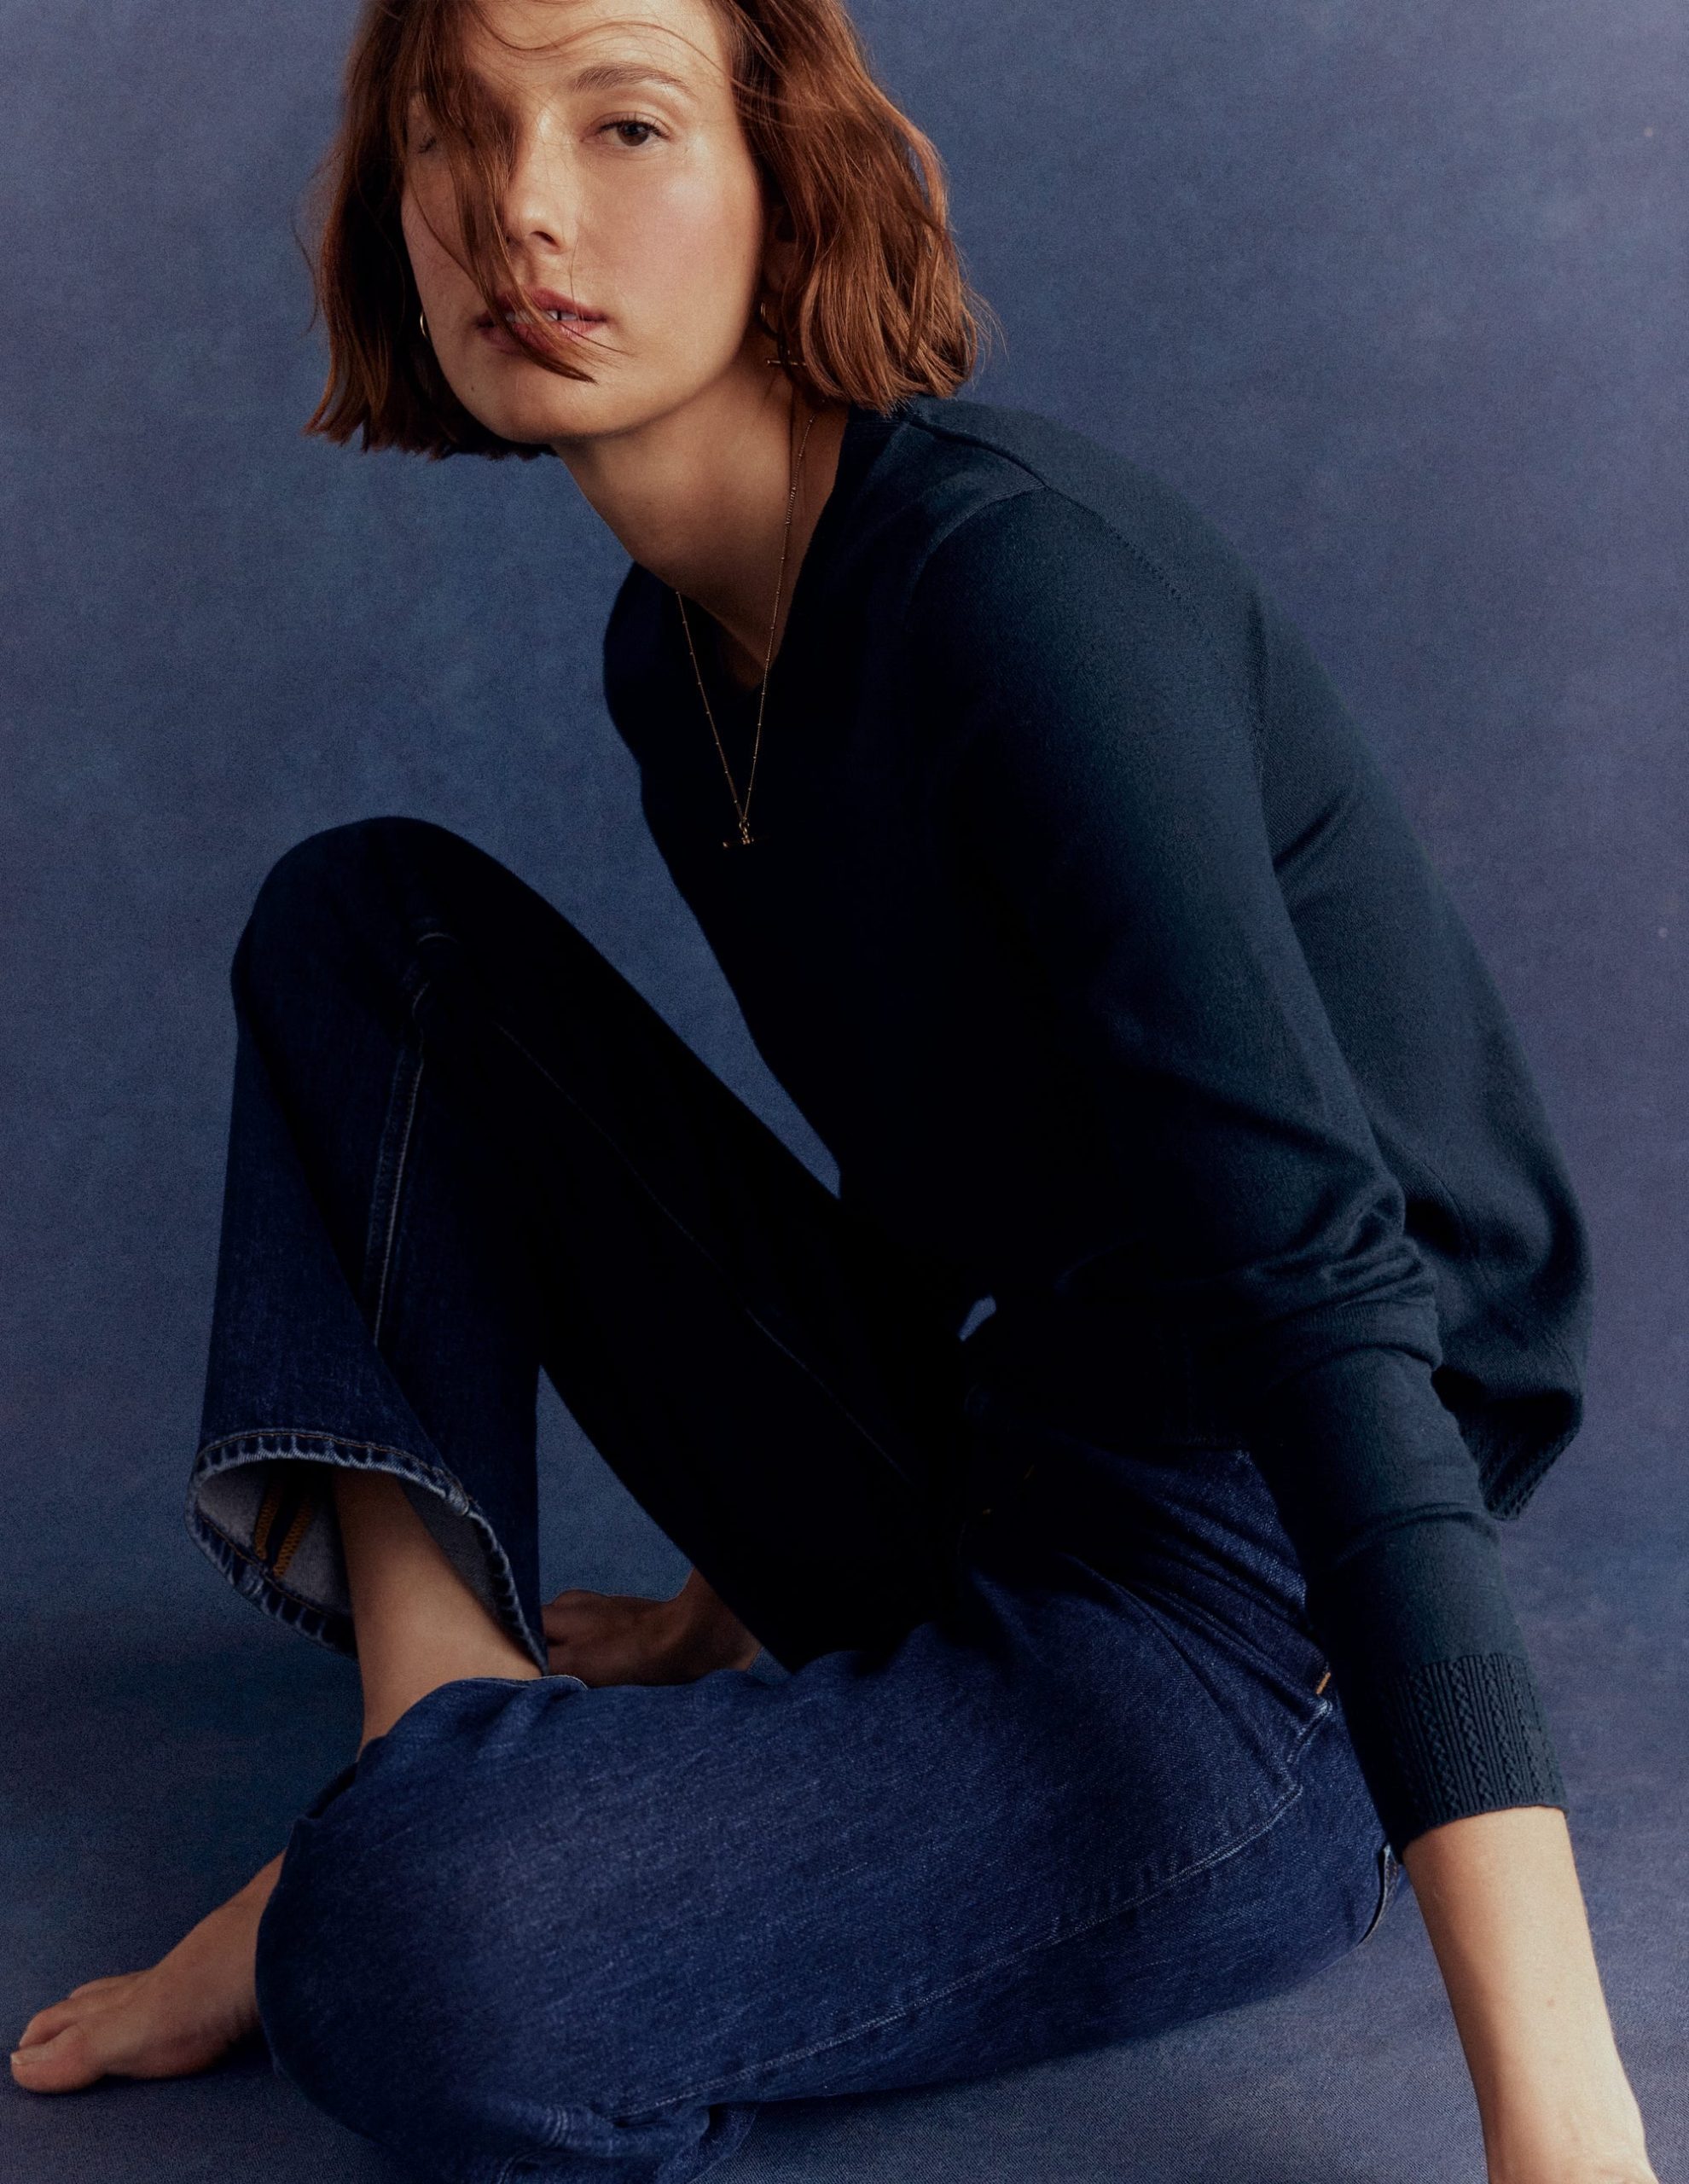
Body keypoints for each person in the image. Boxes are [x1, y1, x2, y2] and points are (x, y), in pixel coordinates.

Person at [10, 0, 1658, 2178]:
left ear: (786, 177)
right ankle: (436, 1720)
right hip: (1013, 1448)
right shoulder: (679, 660)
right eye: (452, 129)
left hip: (1261, 1625)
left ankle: (403, 1846)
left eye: (622, 123)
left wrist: (1564, 2123)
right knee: (368, 929)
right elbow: (943, 1176)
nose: (519, 207)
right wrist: (729, 1600)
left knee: (411, 1947)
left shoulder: (1015, 591)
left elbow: (1330, 1301)